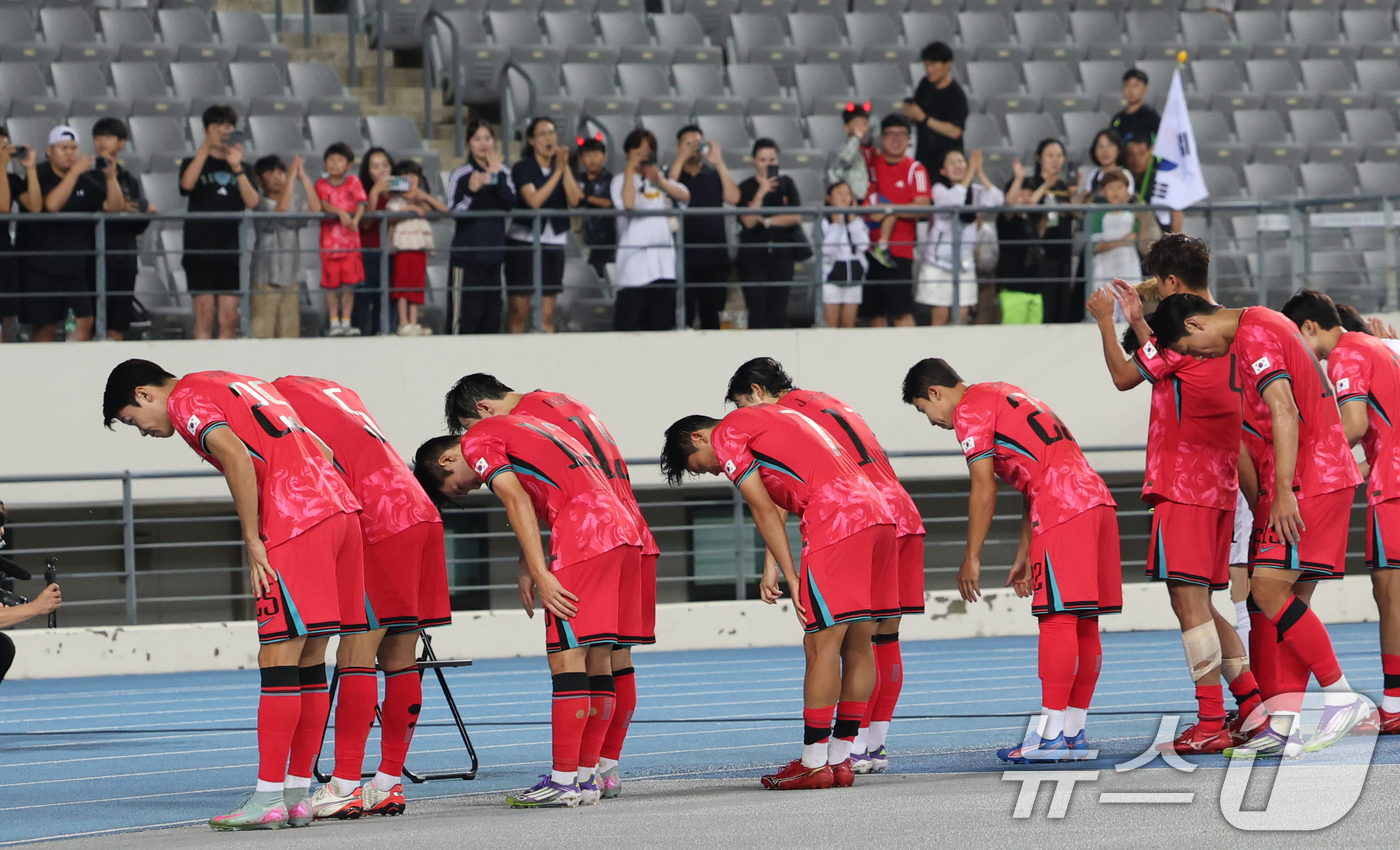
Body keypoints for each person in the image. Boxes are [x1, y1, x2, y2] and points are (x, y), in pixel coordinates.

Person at [102, 360, 364, 829]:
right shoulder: (238, 381)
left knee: (278, 657)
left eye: (131, 420)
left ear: (144, 394)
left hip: (295, 517)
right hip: (340, 510)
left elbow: (238, 457)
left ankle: (267, 799)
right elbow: (320, 446)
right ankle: (298, 795)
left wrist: (253, 540)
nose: (141, 431)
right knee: (311, 658)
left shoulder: (184, 399)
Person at [1150, 294, 1368, 757]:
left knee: (1267, 591)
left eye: (1192, 347)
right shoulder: (1255, 330)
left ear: (1196, 323)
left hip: (1311, 476)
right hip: (1314, 474)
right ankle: (1283, 724)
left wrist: (1283, 491)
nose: (1198, 356)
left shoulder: (1253, 332)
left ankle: (1341, 694)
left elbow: (1285, 410)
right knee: (1284, 602)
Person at [1085, 234, 1262, 755]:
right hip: (1222, 486)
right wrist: (1141, 321)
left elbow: (1127, 375)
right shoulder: (1226, 329)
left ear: (1169, 283)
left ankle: (1210, 721)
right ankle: (1250, 707)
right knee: (1203, 604)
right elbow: (1167, 360)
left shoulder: (1183, 338)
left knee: (1189, 606)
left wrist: (1105, 319)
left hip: (1183, 485)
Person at [444, 374, 659, 798]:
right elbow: (548, 479)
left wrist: (540, 568)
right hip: (627, 526)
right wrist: (532, 557)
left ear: (483, 411)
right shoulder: (562, 407)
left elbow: (521, 496)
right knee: (608, 658)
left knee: (570, 658)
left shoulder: (496, 427)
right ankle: (596, 772)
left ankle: (568, 781)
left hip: (584, 533)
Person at [660, 406, 895, 790]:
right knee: (859, 643)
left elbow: (762, 506)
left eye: (701, 466)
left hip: (837, 520)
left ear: (700, 438)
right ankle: (840, 759)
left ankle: (813, 762)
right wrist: (775, 565)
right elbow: (791, 483)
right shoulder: (774, 417)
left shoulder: (725, 434)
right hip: (877, 512)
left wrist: (791, 575)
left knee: (820, 644)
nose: (715, 471)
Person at [902, 358, 1120, 762]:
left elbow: (984, 487)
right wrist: (1025, 551)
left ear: (934, 392)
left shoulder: (968, 409)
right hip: (1095, 499)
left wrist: (972, 556)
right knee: (1083, 620)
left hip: (1062, 507)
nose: (931, 420)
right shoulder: (1006, 392)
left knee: (1057, 619)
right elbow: (1033, 475)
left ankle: (1050, 736)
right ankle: (1072, 734)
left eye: (923, 410)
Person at [725, 358, 924, 775]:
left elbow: (787, 484)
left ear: (758, 391)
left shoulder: (780, 415)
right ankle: (869, 745)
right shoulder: (826, 400)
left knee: (830, 641)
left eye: (742, 403)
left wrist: (772, 566)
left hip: (850, 517)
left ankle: (832, 754)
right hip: (894, 509)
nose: (742, 414)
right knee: (880, 638)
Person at [270, 376, 449, 819]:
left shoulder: (274, 404)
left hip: (376, 520)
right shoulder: (342, 395)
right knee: (401, 655)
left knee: (356, 652)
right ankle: (387, 784)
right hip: (418, 510)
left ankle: (346, 782)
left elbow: (318, 462)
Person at [1281, 290, 1400, 735]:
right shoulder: (1376, 346)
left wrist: (1302, 463)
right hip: (1389, 477)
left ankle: (1392, 706)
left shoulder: (1346, 355)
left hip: (1393, 491)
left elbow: (1352, 426)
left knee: (1391, 599)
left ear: (1309, 327)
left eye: (1297, 339)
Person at [21, 125, 123, 342]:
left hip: (75, 270)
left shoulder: (87, 179)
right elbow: (51, 205)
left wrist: (110, 178)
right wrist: (75, 172)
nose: (70, 153)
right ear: (49, 151)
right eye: (63, 148)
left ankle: (75, 374)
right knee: (44, 330)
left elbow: (114, 207)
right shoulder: (39, 174)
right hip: (40, 269)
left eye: (74, 148)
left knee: (83, 324)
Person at [179, 105, 259, 339]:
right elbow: (187, 185)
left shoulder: (244, 167)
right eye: (218, 126)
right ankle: (201, 372)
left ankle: (225, 373)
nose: (224, 131)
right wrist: (206, 146)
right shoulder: (191, 162)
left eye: (228, 126)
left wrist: (236, 166)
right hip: (198, 249)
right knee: (205, 315)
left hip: (231, 249)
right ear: (206, 130)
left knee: (229, 318)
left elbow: (253, 201)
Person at [506, 117, 581, 334]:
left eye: (552, 132)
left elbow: (575, 199)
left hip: (553, 242)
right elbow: (534, 201)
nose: (549, 138)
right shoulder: (523, 168)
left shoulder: (561, 167)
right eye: (542, 134)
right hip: (523, 242)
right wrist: (557, 172)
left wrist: (564, 168)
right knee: (519, 310)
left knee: (548, 312)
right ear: (531, 140)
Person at [611, 128, 689, 332]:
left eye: (649, 151)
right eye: (639, 151)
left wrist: (659, 180)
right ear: (628, 152)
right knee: (627, 330)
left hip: (663, 268)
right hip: (633, 270)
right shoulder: (620, 180)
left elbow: (684, 196)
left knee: (661, 330)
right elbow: (628, 204)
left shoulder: (659, 180)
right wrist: (630, 168)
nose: (644, 156)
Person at [919, 149, 1004, 326]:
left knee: (962, 315)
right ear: (943, 171)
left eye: (962, 162)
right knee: (940, 315)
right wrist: (968, 176)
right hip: (938, 264)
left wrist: (979, 172)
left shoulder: (975, 191)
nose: (958, 165)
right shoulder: (939, 189)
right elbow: (954, 201)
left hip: (964, 265)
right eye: (952, 163)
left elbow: (997, 200)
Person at [446, 120, 515, 335]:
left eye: (487, 138)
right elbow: (454, 212)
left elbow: (509, 204)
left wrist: (495, 176)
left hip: (494, 259)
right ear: (468, 143)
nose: (483, 144)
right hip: (466, 259)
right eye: (477, 139)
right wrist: (472, 191)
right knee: (463, 321)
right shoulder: (461, 174)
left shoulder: (503, 171)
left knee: (491, 321)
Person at [862, 114, 930, 328]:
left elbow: (923, 206)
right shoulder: (871, 166)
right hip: (866, 250)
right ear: (882, 138)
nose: (896, 139)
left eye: (902, 134)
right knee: (874, 314)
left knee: (901, 312)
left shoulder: (915, 169)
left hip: (898, 253)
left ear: (909, 139)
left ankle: (910, 358)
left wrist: (890, 211)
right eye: (891, 134)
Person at [671, 125, 739, 330]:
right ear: (678, 147)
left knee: (713, 320)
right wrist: (681, 159)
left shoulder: (713, 174)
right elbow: (667, 190)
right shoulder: (674, 175)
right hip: (685, 258)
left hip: (715, 258)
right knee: (685, 320)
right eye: (688, 143)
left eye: (697, 143)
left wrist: (719, 162)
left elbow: (733, 197)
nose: (694, 147)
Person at [91, 118, 151, 342]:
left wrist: (140, 212)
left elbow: (136, 222)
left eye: (107, 136)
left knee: (117, 323)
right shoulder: (87, 176)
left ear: (121, 142)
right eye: (97, 137)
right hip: (96, 257)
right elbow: (99, 210)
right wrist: (122, 209)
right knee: (92, 322)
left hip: (125, 257)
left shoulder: (129, 179)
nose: (101, 142)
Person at [252, 155, 319, 339]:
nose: (277, 177)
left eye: (281, 172)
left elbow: (315, 208)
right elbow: (280, 211)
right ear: (259, 179)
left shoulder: (296, 201)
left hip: (292, 276)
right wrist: (290, 177)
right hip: (265, 277)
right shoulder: (259, 202)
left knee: (289, 335)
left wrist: (302, 177)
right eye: (270, 172)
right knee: (262, 334)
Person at [736, 138, 801, 330]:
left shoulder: (786, 184)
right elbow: (748, 221)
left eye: (772, 160)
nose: (768, 164)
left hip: (782, 255)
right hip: (753, 257)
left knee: (778, 313)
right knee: (756, 312)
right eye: (763, 159)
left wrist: (767, 221)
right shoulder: (746, 187)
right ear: (754, 161)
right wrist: (760, 193)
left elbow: (795, 216)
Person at [387, 159, 445, 335]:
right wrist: (411, 208)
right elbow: (391, 217)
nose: (409, 179)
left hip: (420, 250)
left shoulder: (424, 202)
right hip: (403, 250)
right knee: (402, 287)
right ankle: (403, 323)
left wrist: (424, 197)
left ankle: (414, 322)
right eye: (404, 176)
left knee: (416, 287)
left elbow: (444, 210)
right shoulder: (394, 201)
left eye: (413, 175)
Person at [315, 142, 366, 336]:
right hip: (329, 246)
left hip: (351, 245)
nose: (334, 164)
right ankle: (333, 322)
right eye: (330, 159)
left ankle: (346, 321)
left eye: (339, 160)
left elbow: (362, 203)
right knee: (330, 287)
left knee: (348, 287)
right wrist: (341, 213)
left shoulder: (353, 181)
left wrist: (356, 220)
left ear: (348, 165)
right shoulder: (320, 183)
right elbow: (323, 204)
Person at [1025, 139, 1077, 324]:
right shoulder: (1031, 183)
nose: (1055, 160)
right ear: (1039, 158)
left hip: (1063, 253)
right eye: (1050, 155)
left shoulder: (1063, 187)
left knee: (1062, 306)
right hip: (1042, 255)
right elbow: (1027, 206)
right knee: (1045, 306)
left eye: (1059, 155)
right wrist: (1045, 185)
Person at [901, 41, 968, 184]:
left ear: (947, 65)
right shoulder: (925, 85)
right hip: (924, 158)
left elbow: (955, 131)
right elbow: (918, 112)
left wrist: (924, 119)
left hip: (946, 163)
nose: (929, 70)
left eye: (933, 65)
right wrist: (911, 113)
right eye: (926, 65)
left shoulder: (956, 95)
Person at [0, 127, 40, 342]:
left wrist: (30, 169)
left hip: (4, 254)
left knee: (6, 317)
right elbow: (3, 206)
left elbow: (34, 206)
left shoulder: (10, 178)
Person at [1086, 170, 1141, 317]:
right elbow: (1095, 246)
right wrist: (1123, 241)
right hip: (1104, 270)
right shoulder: (1098, 214)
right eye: (1111, 188)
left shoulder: (1134, 214)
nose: (1115, 192)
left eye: (1120, 188)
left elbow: (1139, 239)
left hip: (1128, 268)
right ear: (1103, 192)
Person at [995, 160, 1043, 325]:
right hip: (1013, 289)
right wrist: (1018, 178)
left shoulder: (1030, 220)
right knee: (1011, 339)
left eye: (1028, 195)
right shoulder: (1006, 219)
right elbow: (1009, 204)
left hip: (1035, 290)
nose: (1026, 199)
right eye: (1021, 194)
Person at [354, 147, 394, 336]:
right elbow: (366, 224)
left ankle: (385, 335)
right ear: (367, 170)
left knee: (386, 302)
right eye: (376, 166)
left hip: (392, 253)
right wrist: (375, 193)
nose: (382, 170)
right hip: (368, 253)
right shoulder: (360, 190)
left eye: (385, 165)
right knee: (363, 300)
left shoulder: (399, 192)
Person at [819, 180, 868, 329]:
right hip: (831, 276)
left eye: (847, 194)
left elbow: (864, 245)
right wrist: (835, 226)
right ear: (829, 198)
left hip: (854, 275)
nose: (843, 197)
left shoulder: (857, 221)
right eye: (839, 193)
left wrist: (852, 221)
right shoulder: (824, 221)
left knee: (849, 324)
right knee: (831, 324)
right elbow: (826, 250)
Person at [576, 138, 616, 280]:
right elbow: (574, 200)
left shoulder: (609, 179)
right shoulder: (578, 179)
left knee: (604, 274)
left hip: (606, 236)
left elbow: (609, 203)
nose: (592, 159)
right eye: (587, 155)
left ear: (604, 158)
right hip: (584, 235)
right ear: (581, 159)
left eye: (596, 154)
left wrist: (585, 198)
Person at [827, 102, 876, 203]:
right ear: (847, 127)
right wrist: (856, 139)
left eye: (865, 124)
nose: (862, 128)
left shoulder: (869, 148)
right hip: (854, 197)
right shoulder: (843, 148)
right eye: (857, 124)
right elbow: (844, 159)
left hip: (870, 196)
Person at [1073, 129, 1133, 204]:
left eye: (1110, 145)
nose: (1105, 151)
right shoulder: (1094, 175)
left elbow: (1128, 199)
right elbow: (1085, 197)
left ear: (1118, 150)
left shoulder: (1125, 174)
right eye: (1100, 146)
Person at [1111, 69, 1161, 149]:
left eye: (1136, 86)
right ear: (1122, 89)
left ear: (1145, 90)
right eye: (1127, 85)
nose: (1131, 90)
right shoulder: (1118, 118)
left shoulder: (1151, 116)